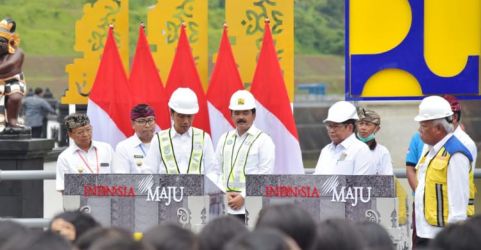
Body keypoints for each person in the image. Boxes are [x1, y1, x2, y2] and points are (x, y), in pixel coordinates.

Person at [413, 95, 474, 247]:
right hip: (425, 232)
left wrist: (452, 242)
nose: (419, 130)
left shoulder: (455, 154)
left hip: (441, 237)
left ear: (438, 128)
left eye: (424, 126)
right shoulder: (431, 150)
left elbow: (458, 207)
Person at [216, 90, 275, 221]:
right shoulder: (224, 139)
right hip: (226, 206)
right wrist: (224, 194)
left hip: (253, 208)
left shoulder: (264, 140)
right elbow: (216, 170)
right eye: (236, 113)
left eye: (245, 113)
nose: (240, 117)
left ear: (253, 115)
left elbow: (265, 175)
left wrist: (243, 197)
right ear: (231, 115)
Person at [143, 88, 218, 176]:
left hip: (197, 189)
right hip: (167, 189)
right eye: (181, 116)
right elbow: (148, 172)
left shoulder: (204, 138)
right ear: (171, 113)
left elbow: (212, 172)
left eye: (189, 116)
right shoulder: (159, 139)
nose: (186, 121)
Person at [56, 113, 114, 192]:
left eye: (88, 130)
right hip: (81, 202)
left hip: (109, 199)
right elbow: (63, 188)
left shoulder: (106, 148)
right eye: (80, 132)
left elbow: (118, 176)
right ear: (70, 134)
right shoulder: (65, 157)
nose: (86, 134)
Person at [313, 101, 372, 175]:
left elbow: (360, 184)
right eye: (329, 126)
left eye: (335, 126)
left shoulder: (361, 150)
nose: (331, 130)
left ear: (350, 127)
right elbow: (316, 180)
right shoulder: (326, 150)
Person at [0, 18, 29, 134]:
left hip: (14, 81)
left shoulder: (18, 52)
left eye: (1, 41)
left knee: (15, 98)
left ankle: (12, 120)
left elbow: (10, 66)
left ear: (9, 42)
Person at [113, 104, 156, 173]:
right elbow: (122, 179)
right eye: (141, 121)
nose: (147, 125)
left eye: (150, 120)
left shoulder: (164, 142)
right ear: (133, 124)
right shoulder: (124, 147)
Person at [356, 107, 393, 175]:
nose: (363, 128)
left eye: (367, 124)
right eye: (361, 123)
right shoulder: (348, 149)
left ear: (377, 129)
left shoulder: (382, 152)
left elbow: (387, 178)